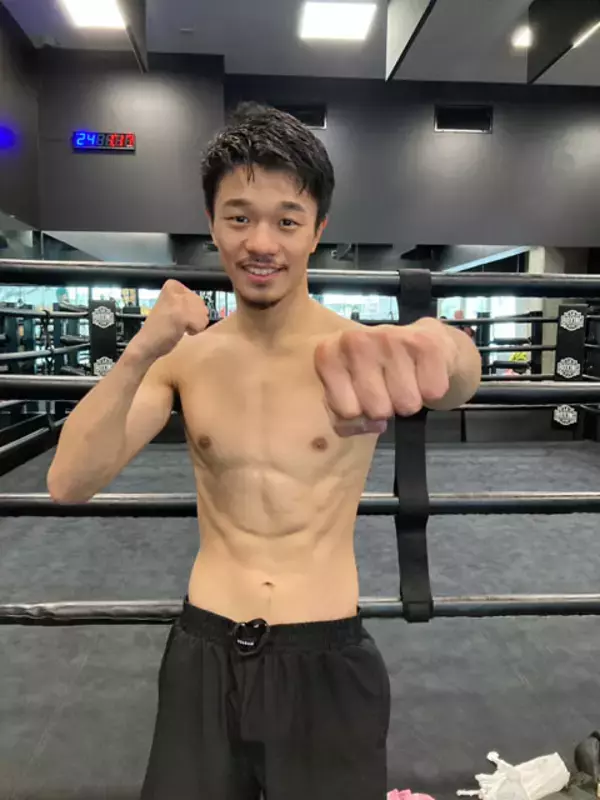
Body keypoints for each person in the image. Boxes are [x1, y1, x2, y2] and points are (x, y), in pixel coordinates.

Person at [47, 104, 482, 800]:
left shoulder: (357, 353)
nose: (261, 242)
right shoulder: (184, 358)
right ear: (212, 223)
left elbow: (458, 379)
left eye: (286, 220)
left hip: (323, 648)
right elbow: (69, 481)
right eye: (239, 217)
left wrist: (441, 342)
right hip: (205, 648)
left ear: (317, 231)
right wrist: (139, 352)